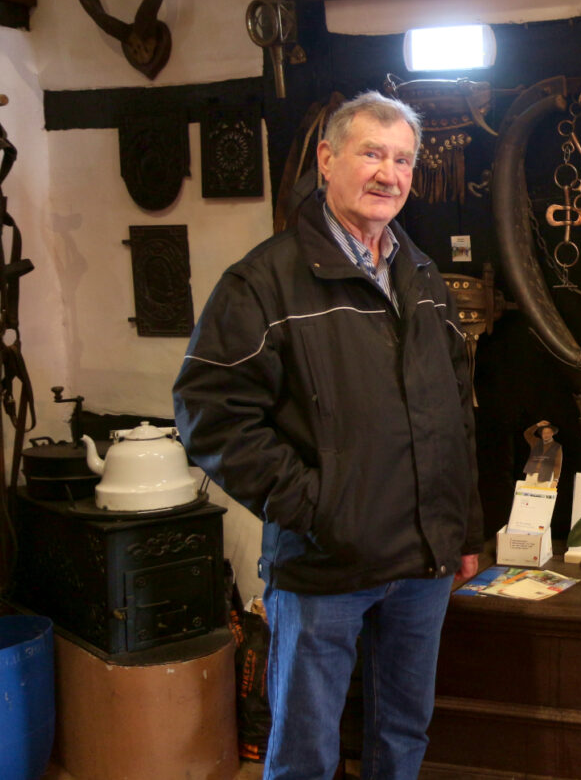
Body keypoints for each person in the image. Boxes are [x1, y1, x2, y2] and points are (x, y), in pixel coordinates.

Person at [173, 91, 483, 780]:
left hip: (420, 563)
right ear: (326, 159)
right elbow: (207, 411)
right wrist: (318, 506)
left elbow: (453, 414)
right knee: (305, 753)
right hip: (324, 567)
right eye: (371, 152)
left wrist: (463, 530)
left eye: (402, 158)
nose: (389, 172)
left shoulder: (422, 276)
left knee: (402, 734)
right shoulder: (263, 282)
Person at [522, 420, 563, 485]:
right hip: (531, 474)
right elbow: (527, 433)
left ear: (552, 433)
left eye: (548, 433)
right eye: (544, 433)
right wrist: (537, 425)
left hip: (546, 476)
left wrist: (555, 479)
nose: (545, 435)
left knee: (542, 493)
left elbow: (558, 464)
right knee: (528, 493)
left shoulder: (557, 446)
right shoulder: (535, 441)